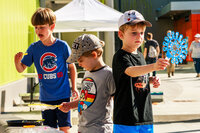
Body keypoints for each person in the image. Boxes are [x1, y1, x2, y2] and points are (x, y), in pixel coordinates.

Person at [14, 8, 78, 133]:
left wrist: (74, 87)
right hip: (46, 97)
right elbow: (21, 68)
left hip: (63, 95)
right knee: (49, 129)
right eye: (36, 27)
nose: (38, 31)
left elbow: (71, 67)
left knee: (65, 128)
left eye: (41, 27)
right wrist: (17, 61)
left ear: (52, 26)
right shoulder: (34, 48)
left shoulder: (62, 46)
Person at [112, 10, 169, 133]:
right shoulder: (120, 56)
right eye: (134, 33)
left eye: (142, 33)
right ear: (121, 35)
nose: (139, 36)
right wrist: (153, 66)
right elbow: (131, 71)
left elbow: (137, 79)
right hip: (126, 118)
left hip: (145, 115)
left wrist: (150, 79)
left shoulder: (140, 56)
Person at [59, 34, 116, 133]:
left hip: (100, 129)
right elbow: (86, 100)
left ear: (94, 55)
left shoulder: (108, 74)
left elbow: (119, 102)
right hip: (83, 128)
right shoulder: (87, 72)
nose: (79, 64)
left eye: (81, 60)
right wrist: (70, 105)